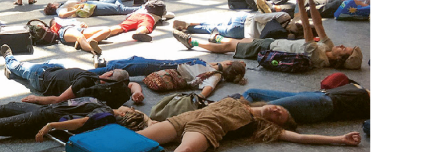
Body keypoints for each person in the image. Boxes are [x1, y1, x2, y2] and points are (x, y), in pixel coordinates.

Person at [173, 0, 364, 70]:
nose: (340, 45)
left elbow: (307, 28)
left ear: (340, 59)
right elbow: (318, 25)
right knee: (234, 42)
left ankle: (193, 42)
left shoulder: (319, 56)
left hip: (269, 48)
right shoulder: (327, 48)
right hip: (272, 43)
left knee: (229, 47)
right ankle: (210, 38)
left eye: (343, 49)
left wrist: (300, 0)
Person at [0, 85, 147, 146]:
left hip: (40, 119)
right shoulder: (106, 104)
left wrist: (50, 126)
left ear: (126, 116)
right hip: (45, 111)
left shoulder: (106, 115)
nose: (131, 108)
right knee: (10, 106)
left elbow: (83, 122)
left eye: (131, 112)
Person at [135, 96, 362, 151]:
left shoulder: (256, 123)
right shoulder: (241, 99)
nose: (276, 110)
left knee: (183, 150)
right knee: (136, 141)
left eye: (278, 116)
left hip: (205, 128)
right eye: (279, 108)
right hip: (183, 119)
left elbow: (300, 138)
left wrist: (338, 139)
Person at [0, 46, 141, 108]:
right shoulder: (116, 88)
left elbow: (58, 100)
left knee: (21, 67)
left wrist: (37, 99)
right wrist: (137, 92)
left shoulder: (85, 82)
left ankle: (8, 58)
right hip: (56, 70)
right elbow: (132, 85)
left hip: (41, 77)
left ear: (109, 74)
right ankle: (13, 72)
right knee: (55, 63)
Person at [241, 79, 370, 125]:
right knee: (252, 92)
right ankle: (233, 110)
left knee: (263, 106)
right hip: (321, 96)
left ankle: (234, 113)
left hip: (323, 103)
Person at [143, 61, 246, 98]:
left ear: (229, 63)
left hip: (174, 68)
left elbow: (209, 87)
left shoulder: (215, 76)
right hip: (176, 66)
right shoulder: (214, 70)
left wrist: (200, 96)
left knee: (138, 64)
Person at [173, 12, 303, 41]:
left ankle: (189, 24)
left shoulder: (284, 16)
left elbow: (259, 17)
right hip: (242, 32)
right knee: (213, 28)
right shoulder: (286, 37)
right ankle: (189, 27)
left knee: (216, 23)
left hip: (243, 18)